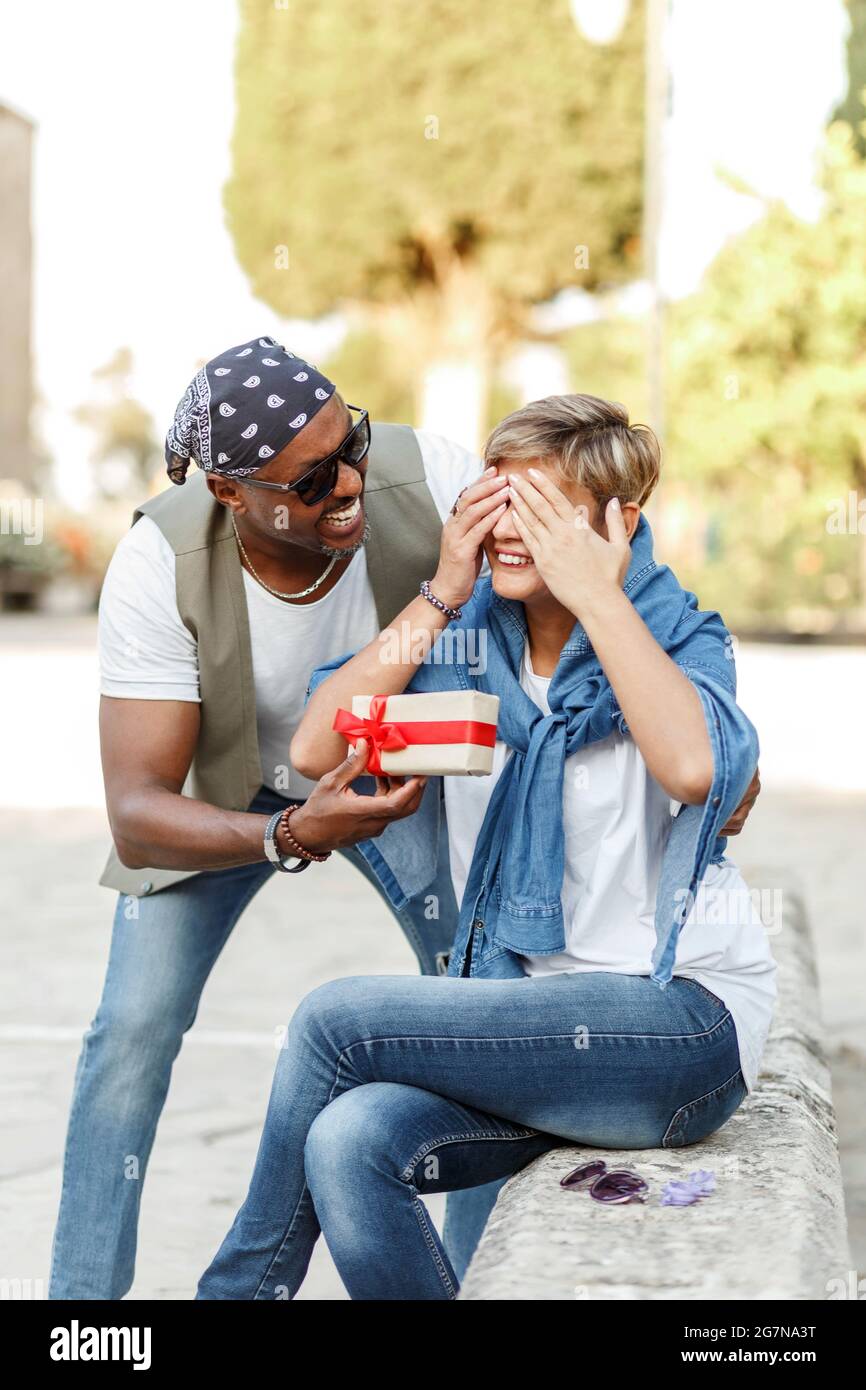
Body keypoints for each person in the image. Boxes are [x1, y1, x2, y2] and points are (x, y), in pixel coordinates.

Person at [196, 393, 776, 1301]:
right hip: (529, 1028)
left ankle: (230, 1296)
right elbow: (313, 749)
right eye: (495, 500)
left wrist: (595, 590)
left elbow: (699, 768)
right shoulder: (468, 649)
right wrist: (442, 589)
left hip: (677, 1026)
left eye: (541, 512)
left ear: (617, 524)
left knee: (334, 1017)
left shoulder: (674, 637)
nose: (511, 530)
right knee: (348, 1141)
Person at [48, 334, 494, 1299]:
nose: (349, 483)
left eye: (352, 445)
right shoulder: (157, 563)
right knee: (128, 1031)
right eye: (311, 479)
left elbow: (579, 558)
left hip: (386, 767)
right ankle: (81, 1316)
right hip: (225, 785)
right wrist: (287, 834)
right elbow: (135, 813)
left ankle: (477, 1281)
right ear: (230, 491)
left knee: (475, 997)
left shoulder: (432, 478)